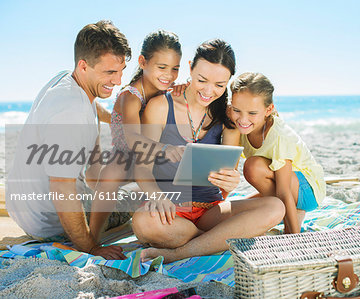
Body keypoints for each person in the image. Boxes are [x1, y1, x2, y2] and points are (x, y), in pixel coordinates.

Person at [132, 39, 285, 263]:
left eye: (219, 85)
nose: (208, 91)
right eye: (202, 80)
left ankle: (182, 252)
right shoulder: (161, 107)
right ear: (191, 67)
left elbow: (229, 173)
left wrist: (231, 181)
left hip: (210, 211)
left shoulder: (227, 116)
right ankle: (217, 241)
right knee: (143, 223)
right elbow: (141, 168)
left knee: (274, 207)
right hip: (169, 210)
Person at [6, 20, 131, 259]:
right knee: (136, 193)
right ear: (84, 66)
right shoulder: (70, 112)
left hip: (24, 208)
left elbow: (93, 106)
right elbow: (62, 188)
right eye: (110, 72)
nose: (118, 80)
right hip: (49, 225)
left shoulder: (65, 80)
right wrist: (91, 248)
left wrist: (115, 118)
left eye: (121, 70)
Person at [89, 30, 186, 243]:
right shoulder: (129, 96)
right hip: (126, 153)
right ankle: (94, 235)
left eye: (175, 69)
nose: (168, 75)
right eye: (162, 67)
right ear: (143, 62)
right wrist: (165, 150)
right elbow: (132, 138)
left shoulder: (168, 90)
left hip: (152, 156)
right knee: (109, 176)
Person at [229, 72, 326, 234]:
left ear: (269, 109)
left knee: (252, 167)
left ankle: (293, 214)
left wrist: (292, 236)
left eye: (252, 113)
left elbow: (283, 191)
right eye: (237, 110)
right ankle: (288, 213)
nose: (243, 120)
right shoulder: (237, 118)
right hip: (279, 184)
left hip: (308, 190)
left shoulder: (279, 136)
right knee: (235, 212)